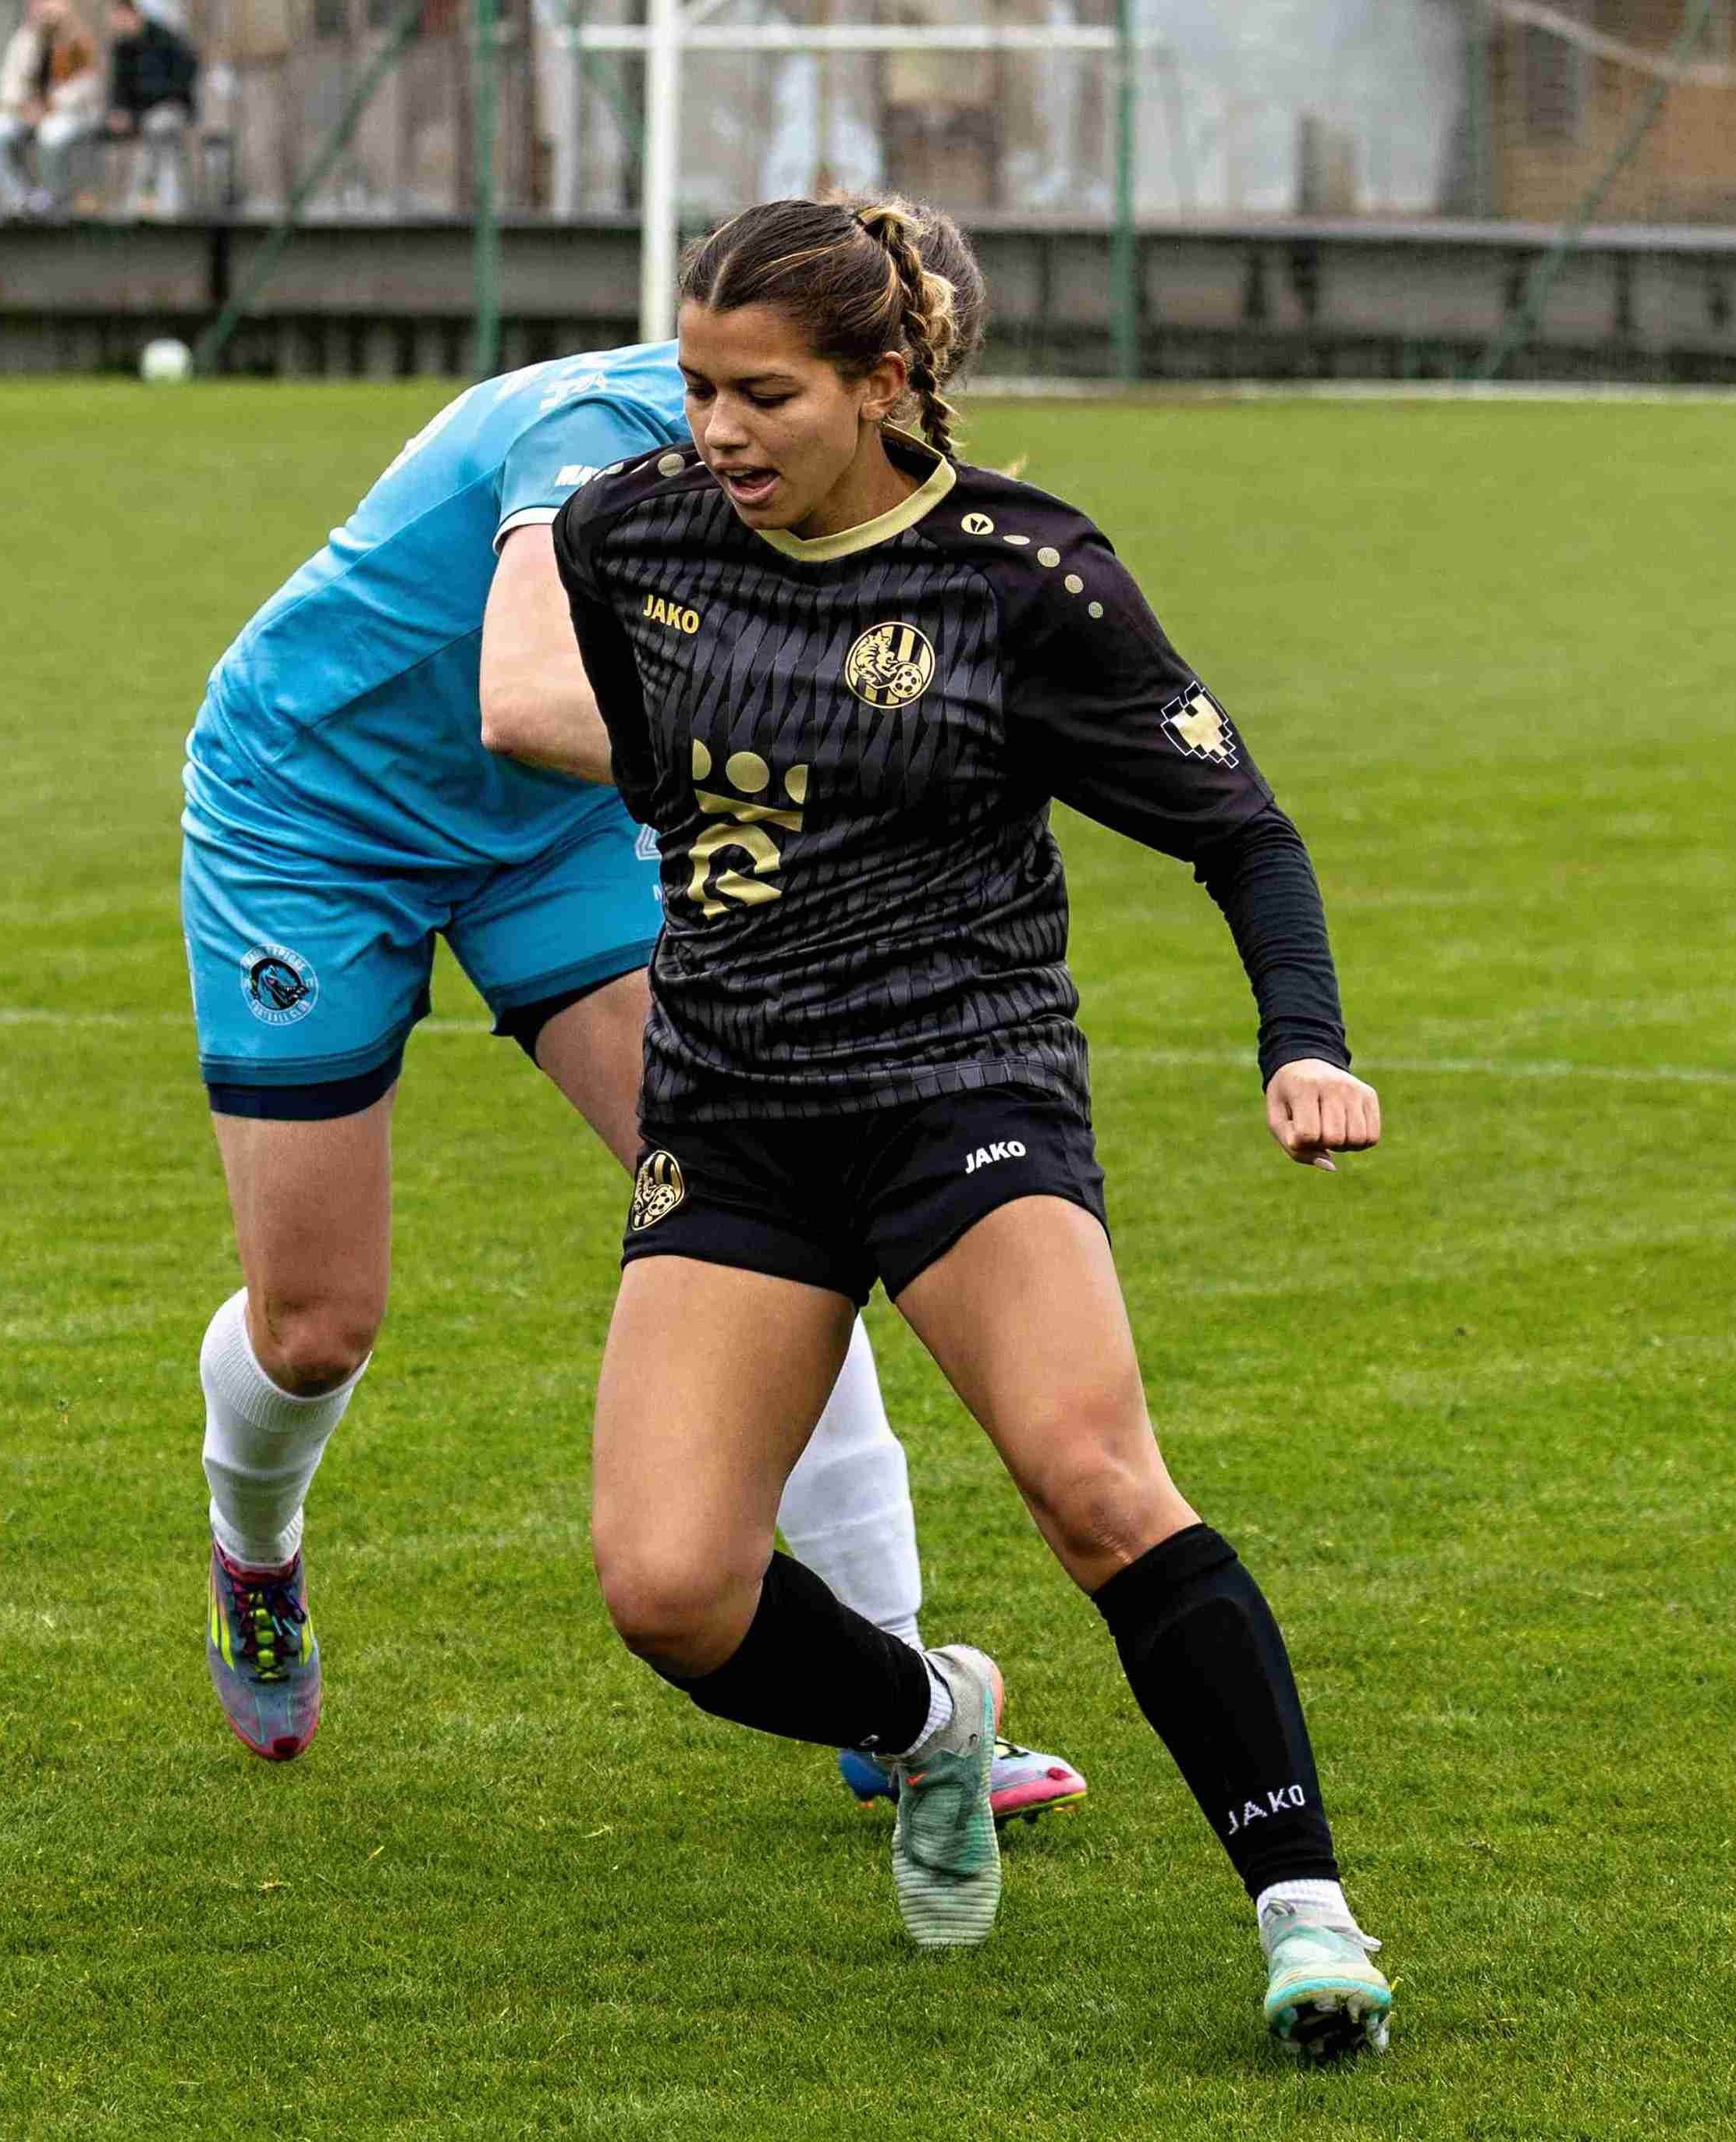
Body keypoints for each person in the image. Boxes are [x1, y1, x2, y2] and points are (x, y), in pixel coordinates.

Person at [552, 194, 1393, 2058]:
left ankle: (1306, 1912)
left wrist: (1303, 1044)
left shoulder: (1028, 579)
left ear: (882, 382)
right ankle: (935, 1722)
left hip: (960, 1088)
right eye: (696, 388)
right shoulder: (624, 537)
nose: (717, 430)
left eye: (763, 394)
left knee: (1093, 1482)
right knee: (668, 1589)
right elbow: (655, 782)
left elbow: (1242, 832)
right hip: (735, 1110)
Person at [180, 336, 1088, 1831]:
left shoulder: (834, 480)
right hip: (311, 814)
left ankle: (902, 1708)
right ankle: (255, 1552)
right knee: (317, 1325)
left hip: (548, 833)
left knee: (781, 1188)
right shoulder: (601, 427)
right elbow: (525, 695)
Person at [0, 0, 105, 218]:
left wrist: (53, 104)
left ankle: (52, 203)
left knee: (52, 136)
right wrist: (23, 105)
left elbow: (87, 85)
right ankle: (17, 203)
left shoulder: (78, 40)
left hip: (67, 114)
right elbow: (10, 83)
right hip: (26, 112)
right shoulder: (25, 40)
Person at [105, 2, 198, 219]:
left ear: (132, 13)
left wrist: (143, 108)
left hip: (169, 109)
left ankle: (151, 200)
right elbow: (119, 87)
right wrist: (118, 110)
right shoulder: (122, 47)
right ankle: (115, 201)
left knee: (157, 127)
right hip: (137, 113)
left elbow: (182, 79)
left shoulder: (166, 40)